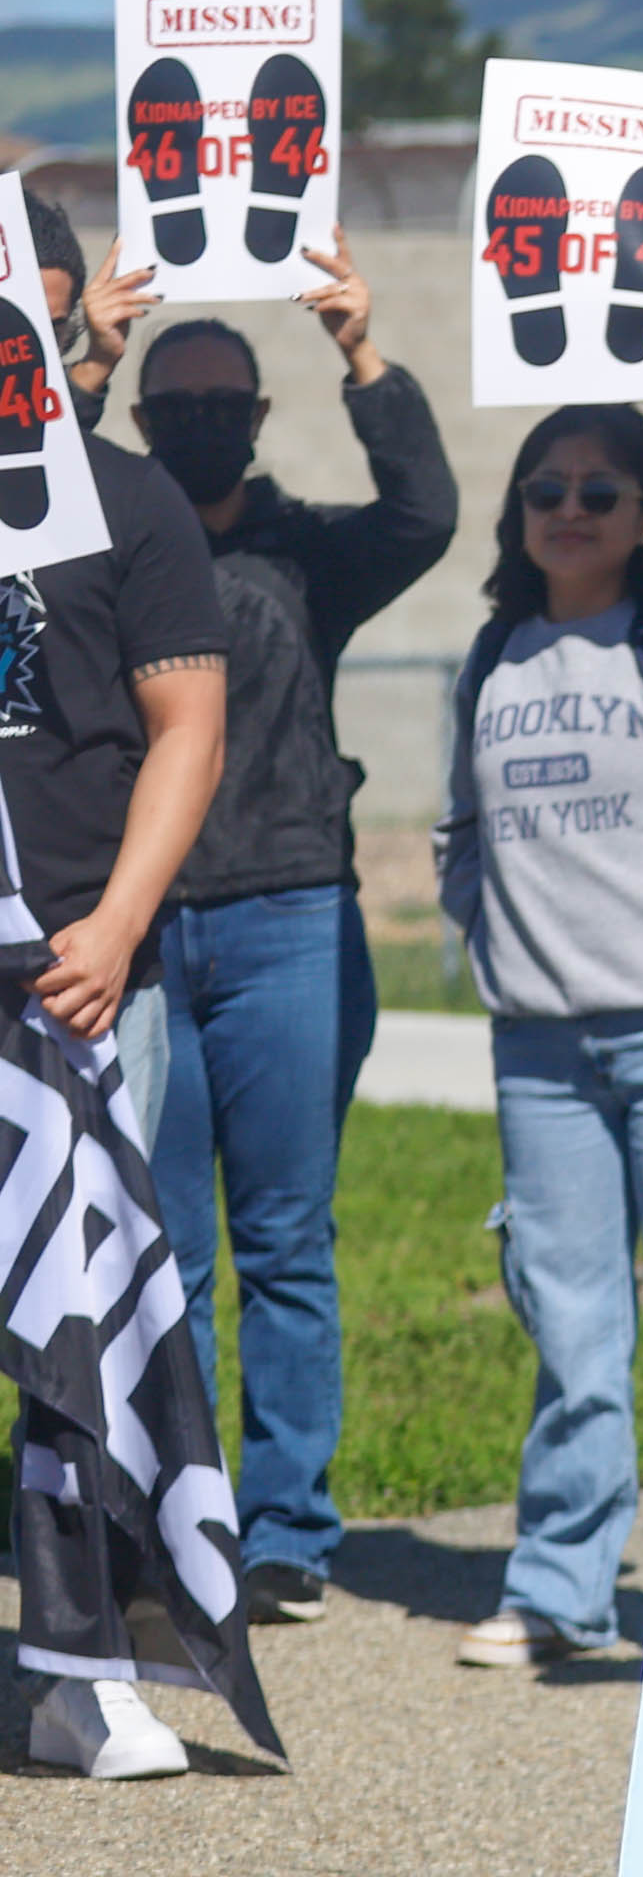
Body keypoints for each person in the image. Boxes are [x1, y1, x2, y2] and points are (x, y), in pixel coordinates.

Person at [66, 228, 457, 1631]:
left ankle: (289, 1527)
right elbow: (26, 496)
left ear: (259, 416)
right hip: (148, 931)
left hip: (293, 917)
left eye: (222, 406)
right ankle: (190, 1511)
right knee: (160, 1244)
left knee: (287, 1236)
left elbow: (422, 513)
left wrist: (364, 350)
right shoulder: (105, 534)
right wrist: (87, 364)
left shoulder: (308, 552)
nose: (199, 428)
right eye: (174, 411)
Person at [435, 307, 643, 1669]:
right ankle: (559, 1593)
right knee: (569, 1325)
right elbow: (460, 834)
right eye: (546, 491)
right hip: (542, 1049)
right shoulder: (491, 658)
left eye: (599, 493)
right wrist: (487, 943)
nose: (568, 511)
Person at [4, 192, 228, 1780]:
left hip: (74, 973)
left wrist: (121, 922)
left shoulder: (131, 502)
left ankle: (82, 1660)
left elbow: (185, 728)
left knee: (86, 1322)